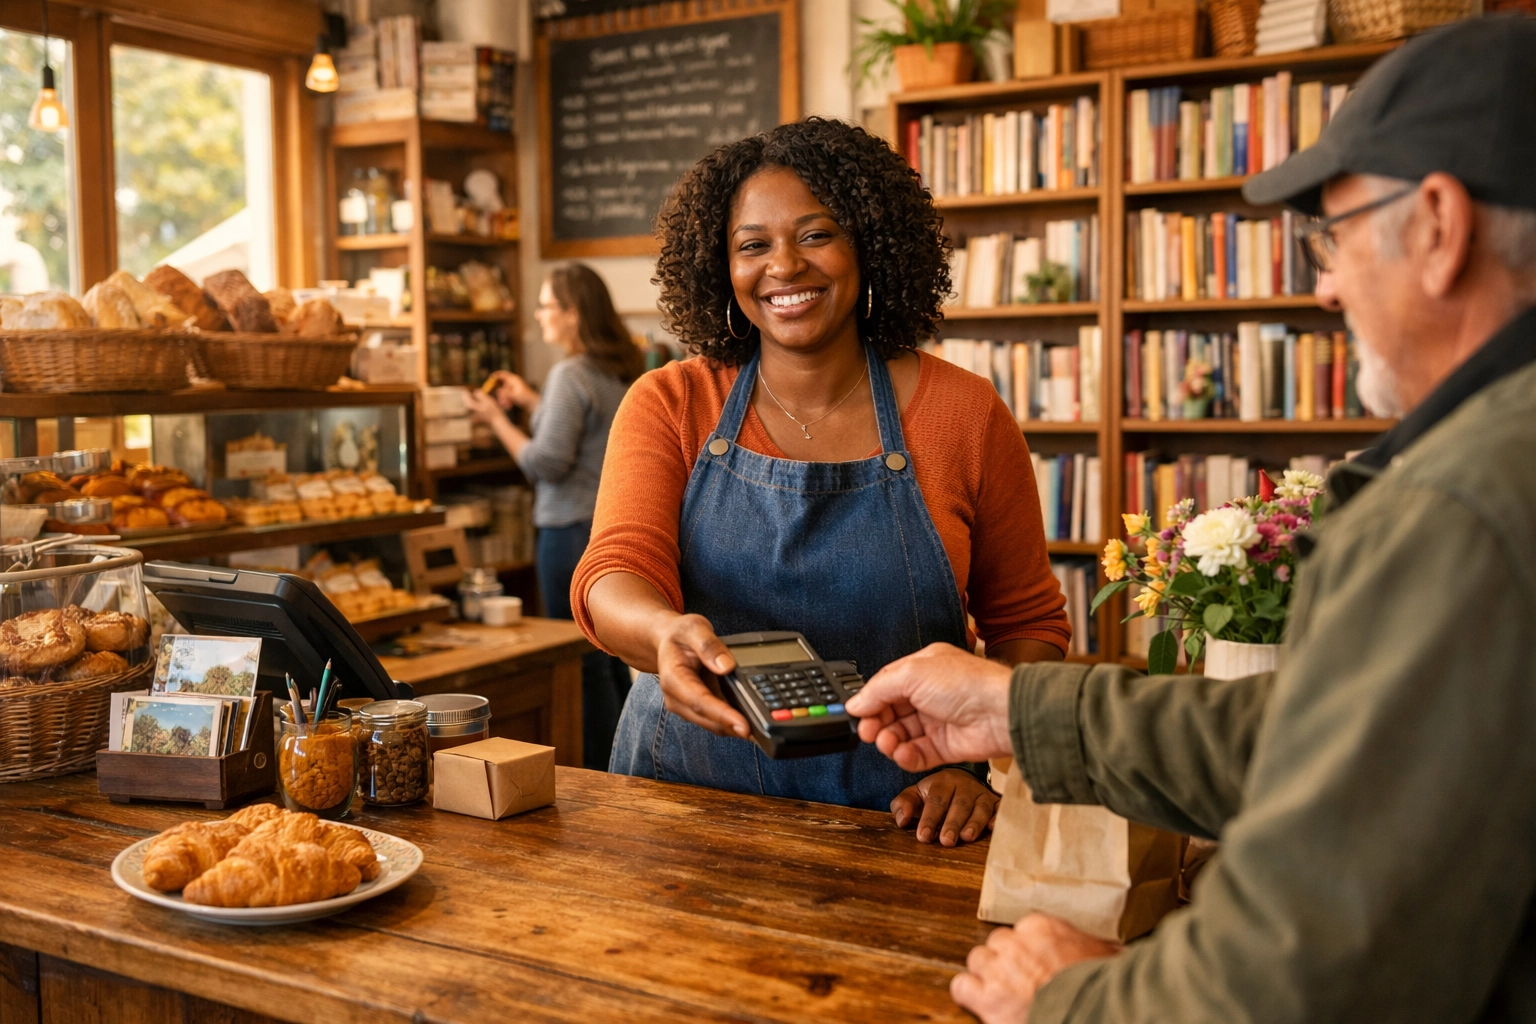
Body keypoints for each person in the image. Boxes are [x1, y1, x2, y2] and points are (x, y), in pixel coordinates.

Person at [845, 17, 1536, 1023]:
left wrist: (1074, 998)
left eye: (1333, 235)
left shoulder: (1463, 508)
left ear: (1438, 224)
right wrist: (1015, 711)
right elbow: (1322, 739)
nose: (1325, 281)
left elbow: (1305, 970)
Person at [570, 117, 1072, 845]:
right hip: (680, 808)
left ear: (869, 244)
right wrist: (661, 631)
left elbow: (1027, 625)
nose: (784, 267)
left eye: (816, 235)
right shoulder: (671, 402)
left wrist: (973, 766)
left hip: (900, 819)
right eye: (753, 245)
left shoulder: (967, 415)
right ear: (721, 266)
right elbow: (614, 572)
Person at [466, 263, 644, 771]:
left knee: (576, 662)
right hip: (605, 526)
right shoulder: (614, 369)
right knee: (605, 660)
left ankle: (588, 775)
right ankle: (618, 766)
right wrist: (531, 401)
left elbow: (548, 462)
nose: (539, 315)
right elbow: (588, 440)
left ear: (572, 313)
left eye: (546, 305)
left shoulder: (570, 374)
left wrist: (497, 418)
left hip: (567, 532)